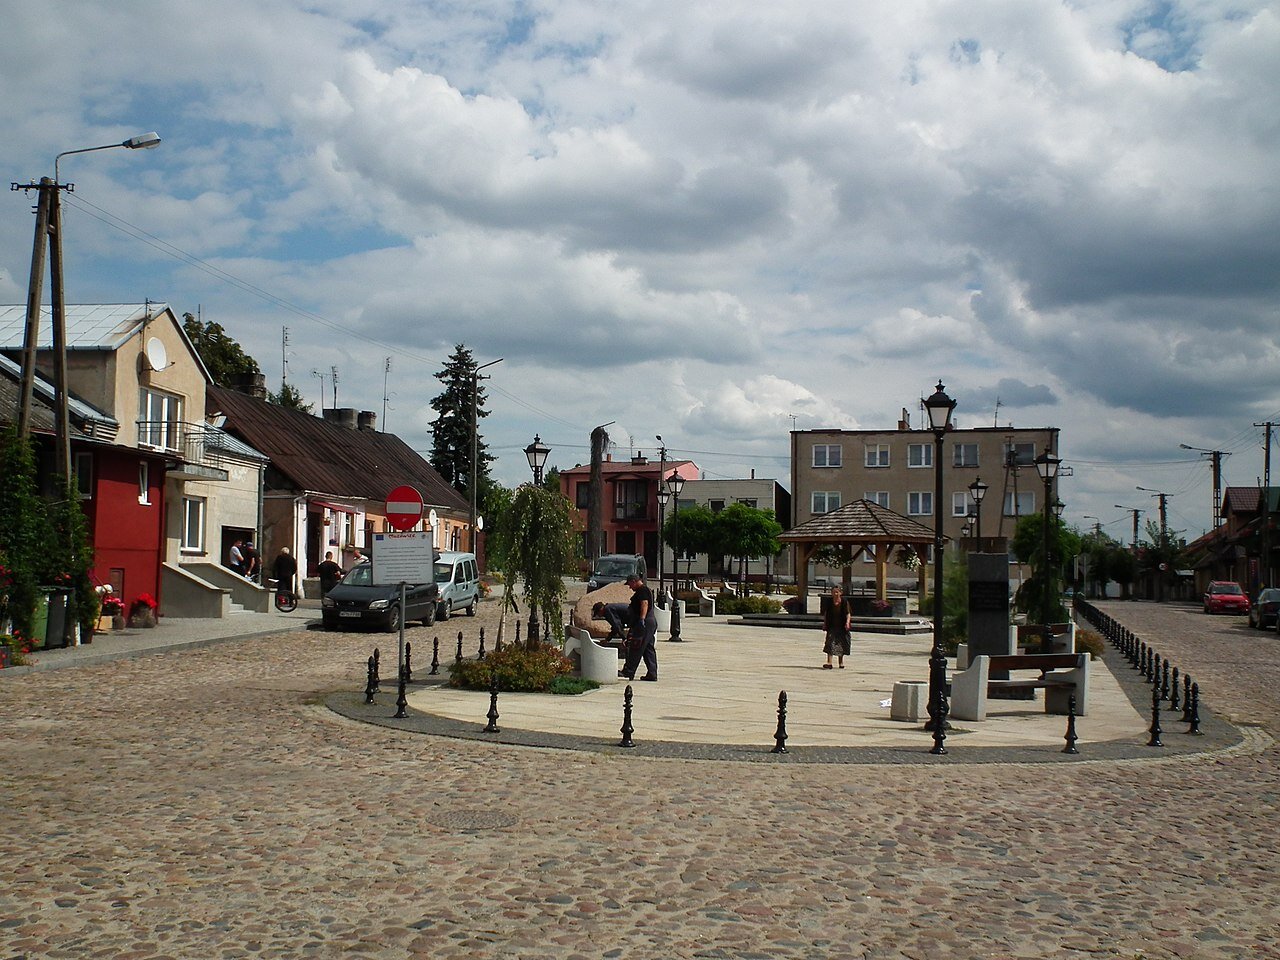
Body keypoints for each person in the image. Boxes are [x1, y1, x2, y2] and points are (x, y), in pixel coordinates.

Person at [620, 573, 658, 682]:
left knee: (637, 646)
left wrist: (642, 619)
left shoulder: (642, 590)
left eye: (630, 584)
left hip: (645, 622)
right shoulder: (644, 590)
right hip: (649, 622)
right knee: (648, 648)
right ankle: (652, 673)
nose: (629, 587)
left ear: (633, 581)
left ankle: (629, 670)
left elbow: (644, 603)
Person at [822, 585, 852, 669]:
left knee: (841, 643)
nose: (835, 594)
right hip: (832, 625)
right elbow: (826, 613)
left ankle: (841, 662)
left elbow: (848, 613)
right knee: (830, 643)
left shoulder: (844, 601)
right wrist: (825, 623)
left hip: (842, 626)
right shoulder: (829, 602)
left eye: (837, 592)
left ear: (840, 593)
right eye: (833, 592)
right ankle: (829, 662)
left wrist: (847, 622)